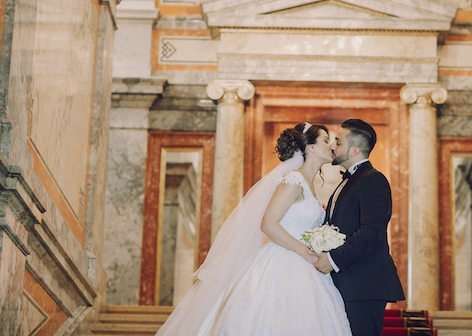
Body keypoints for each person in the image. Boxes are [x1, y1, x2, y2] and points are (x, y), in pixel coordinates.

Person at [155, 122, 352, 336]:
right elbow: (268, 223)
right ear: (310, 148)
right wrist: (308, 254)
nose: (331, 145)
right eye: (325, 140)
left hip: (304, 265)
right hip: (284, 262)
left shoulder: (310, 185)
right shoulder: (294, 180)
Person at [314, 118, 405, 336]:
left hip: (364, 286)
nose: (333, 146)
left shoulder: (373, 179)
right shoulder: (347, 181)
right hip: (347, 283)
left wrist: (332, 260)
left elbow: (371, 232)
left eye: (339, 141)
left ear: (355, 150)